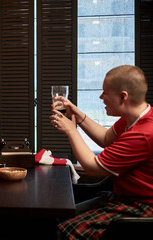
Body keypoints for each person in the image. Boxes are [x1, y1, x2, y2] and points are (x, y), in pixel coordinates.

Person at [50, 65, 153, 239]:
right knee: (58, 216)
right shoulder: (134, 118)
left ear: (123, 96)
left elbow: (93, 168)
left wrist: (71, 131)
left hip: (140, 207)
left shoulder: (143, 134)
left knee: (61, 232)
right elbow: (105, 138)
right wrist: (76, 113)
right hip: (121, 196)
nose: (101, 97)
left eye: (105, 92)